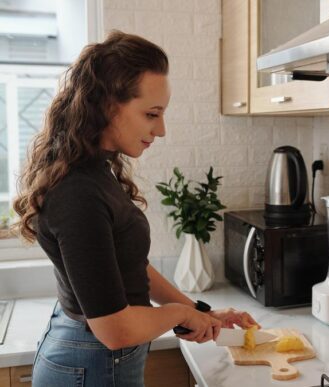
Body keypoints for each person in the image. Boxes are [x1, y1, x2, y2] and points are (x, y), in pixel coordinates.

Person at [12, 30, 259, 387]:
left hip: (94, 362)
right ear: (108, 106)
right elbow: (114, 329)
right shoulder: (78, 192)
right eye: (151, 114)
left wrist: (201, 312)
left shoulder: (95, 169)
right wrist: (178, 314)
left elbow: (131, 267)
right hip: (91, 366)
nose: (160, 129)